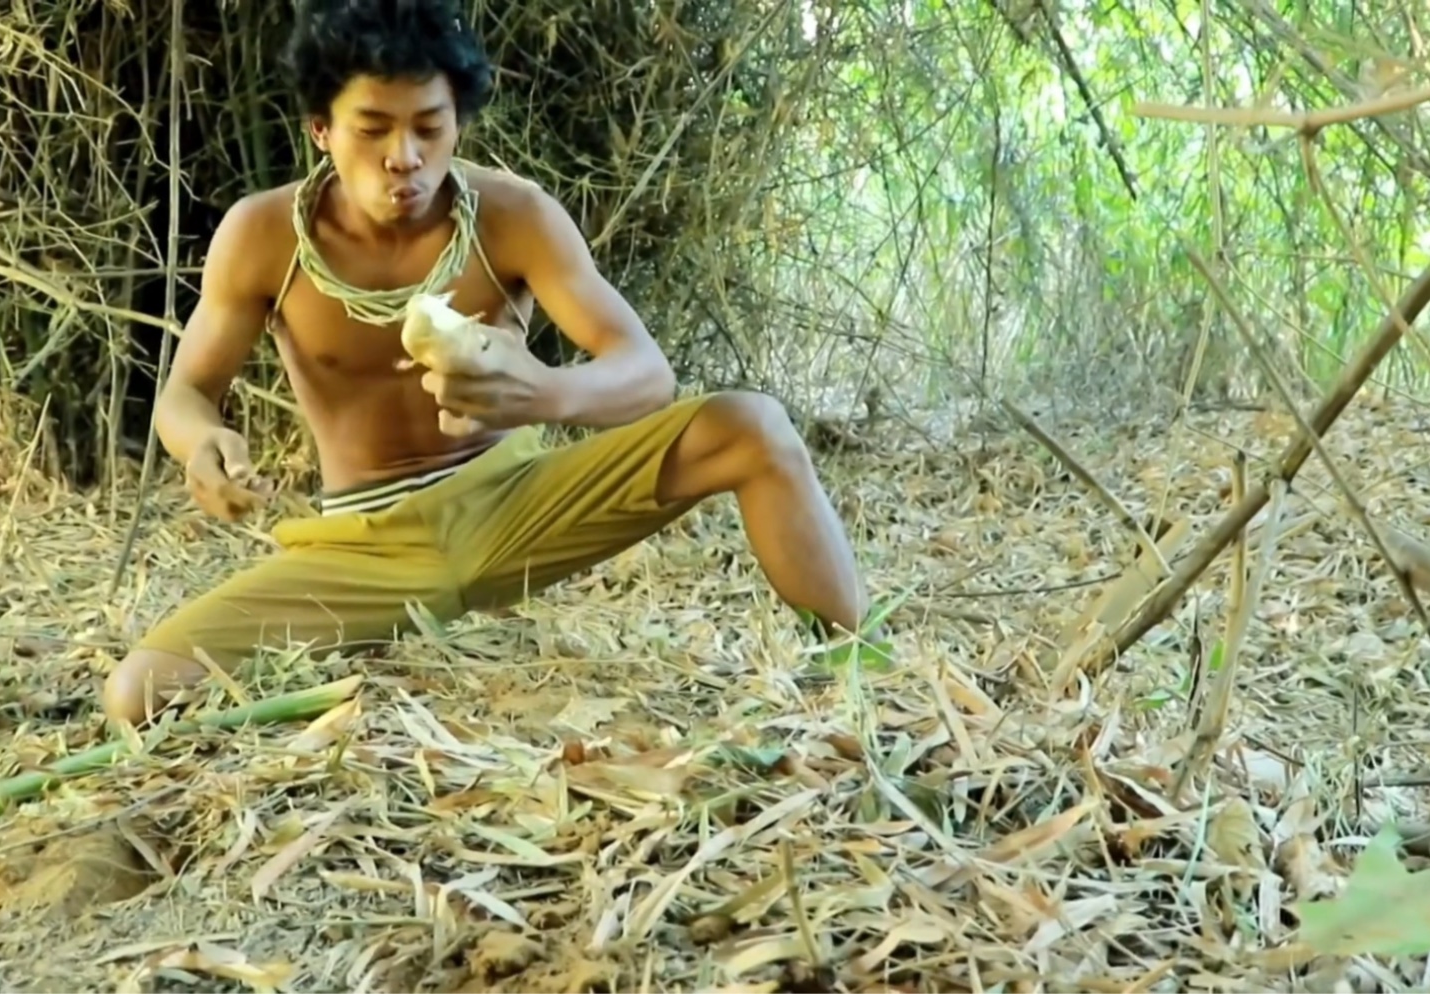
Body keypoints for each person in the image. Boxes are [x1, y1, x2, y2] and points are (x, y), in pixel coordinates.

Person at [101, 0, 876, 726]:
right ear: (319, 131)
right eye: (371, 129)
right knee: (138, 693)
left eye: (428, 128)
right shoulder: (262, 235)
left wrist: (545, 390)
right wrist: (200, 446)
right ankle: (367, 645)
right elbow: (187, 394)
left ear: (457, 126)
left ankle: (857, 671)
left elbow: (645, 372)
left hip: (515, 505)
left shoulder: (513, 215)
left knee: (753, 427)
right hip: (363, 548)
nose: (403, 157)